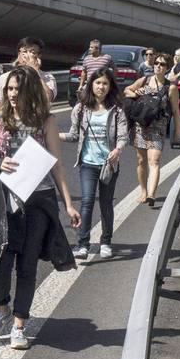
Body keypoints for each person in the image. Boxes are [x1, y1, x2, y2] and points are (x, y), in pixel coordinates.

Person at [0, 66, 80, 349]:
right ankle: (1, 311)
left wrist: (69, 205)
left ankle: (20, 325)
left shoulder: (45, 121)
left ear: (30, 91)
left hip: (38, 200)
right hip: (4, 201)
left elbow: (56, 165)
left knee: (27, 265)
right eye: (9, 89)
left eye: (17, 89)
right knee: (0, 263)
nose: (12, 94)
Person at [60, 69, 128, 259]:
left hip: (109, 165)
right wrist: (54, 136)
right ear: (91, 85)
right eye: (98, 83)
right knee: (87, 201)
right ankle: (83, 244)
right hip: (88, 163)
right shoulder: (81, 108)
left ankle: (106, 242)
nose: (101, 87)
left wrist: (118, 150)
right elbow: (74, 135)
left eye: (105, 83)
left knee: (106, 203)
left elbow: (123, 137)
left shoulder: (117, 111)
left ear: (110, 86)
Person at [125, 54, 170, 205]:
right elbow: (127, 91)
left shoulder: (170, 87)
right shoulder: (144, 80)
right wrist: (138, 94)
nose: (158, 66)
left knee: (154, 161)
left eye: (162, 64)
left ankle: (151, 194)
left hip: (158, 127)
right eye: (156, 63)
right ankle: (143, 191)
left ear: (167, 68)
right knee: (141, 160)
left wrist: (177, 133)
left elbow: (176, 111)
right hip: (141, 125)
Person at [0, 36, 55, 115]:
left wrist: (35, 71)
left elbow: (47, 98)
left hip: (37, 122)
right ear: (19, 54)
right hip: (11, 122)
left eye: (32, 52)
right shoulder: (5, 77)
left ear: (39, 56)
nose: (27, 56)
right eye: (24, 52)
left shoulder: (47, 78)